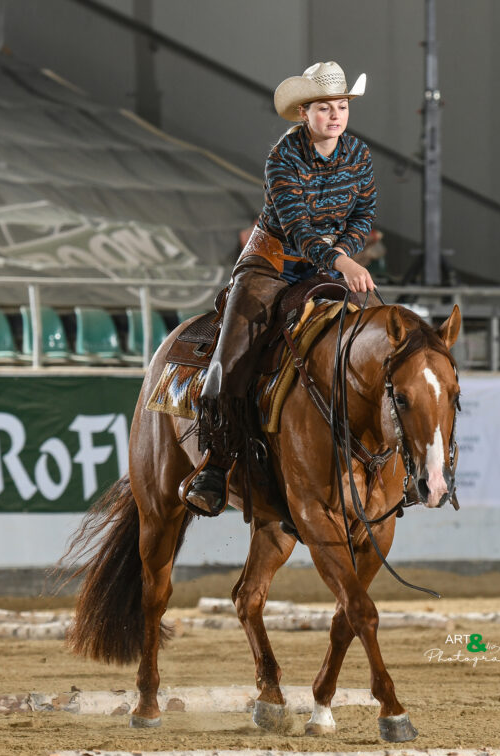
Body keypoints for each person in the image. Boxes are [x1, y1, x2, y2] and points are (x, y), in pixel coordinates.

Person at [179, 61, 378, 517]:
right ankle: (214, 462)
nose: (336, 115)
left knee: (366, 342)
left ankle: (369, 456)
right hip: (271, 263)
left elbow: (363, 215)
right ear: (304, 113)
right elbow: (297, 227)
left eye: (342, 106)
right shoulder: (283, 157)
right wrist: (342, 260)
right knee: (235, 350)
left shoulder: (360, 156)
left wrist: (345, 251)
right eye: (325, 107)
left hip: (326, 265)